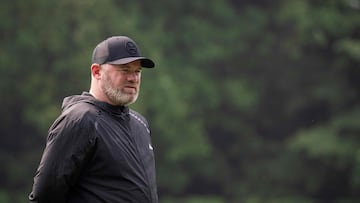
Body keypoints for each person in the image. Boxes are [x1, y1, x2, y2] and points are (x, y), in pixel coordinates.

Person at [29, 36, 158, 203]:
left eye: (137, 71)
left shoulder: (139, 123)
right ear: (97, 72)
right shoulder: (80, 120)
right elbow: (44, 195)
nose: (133, 78)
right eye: (125, 70)